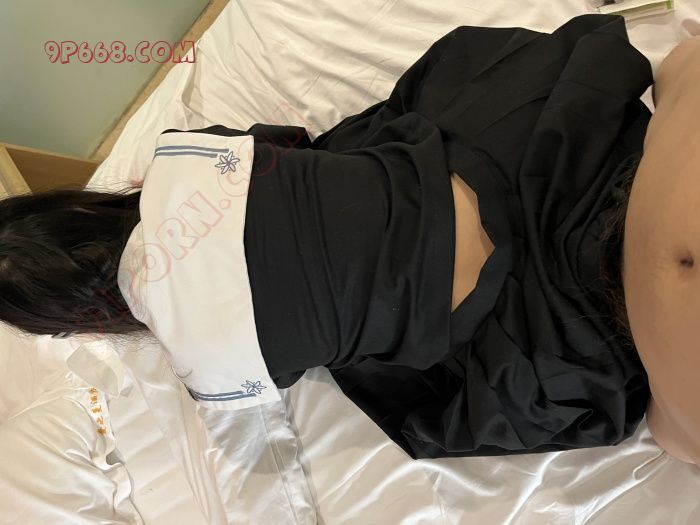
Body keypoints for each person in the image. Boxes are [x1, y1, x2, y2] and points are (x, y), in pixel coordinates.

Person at [0, 14, 697, 463]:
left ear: (75, 325)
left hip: (541, 328)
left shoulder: (207, 371)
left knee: (407, 376)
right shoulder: (184, 158)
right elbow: (301, 147)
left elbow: (306, 359)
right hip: (509, 169)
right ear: (74, 206)